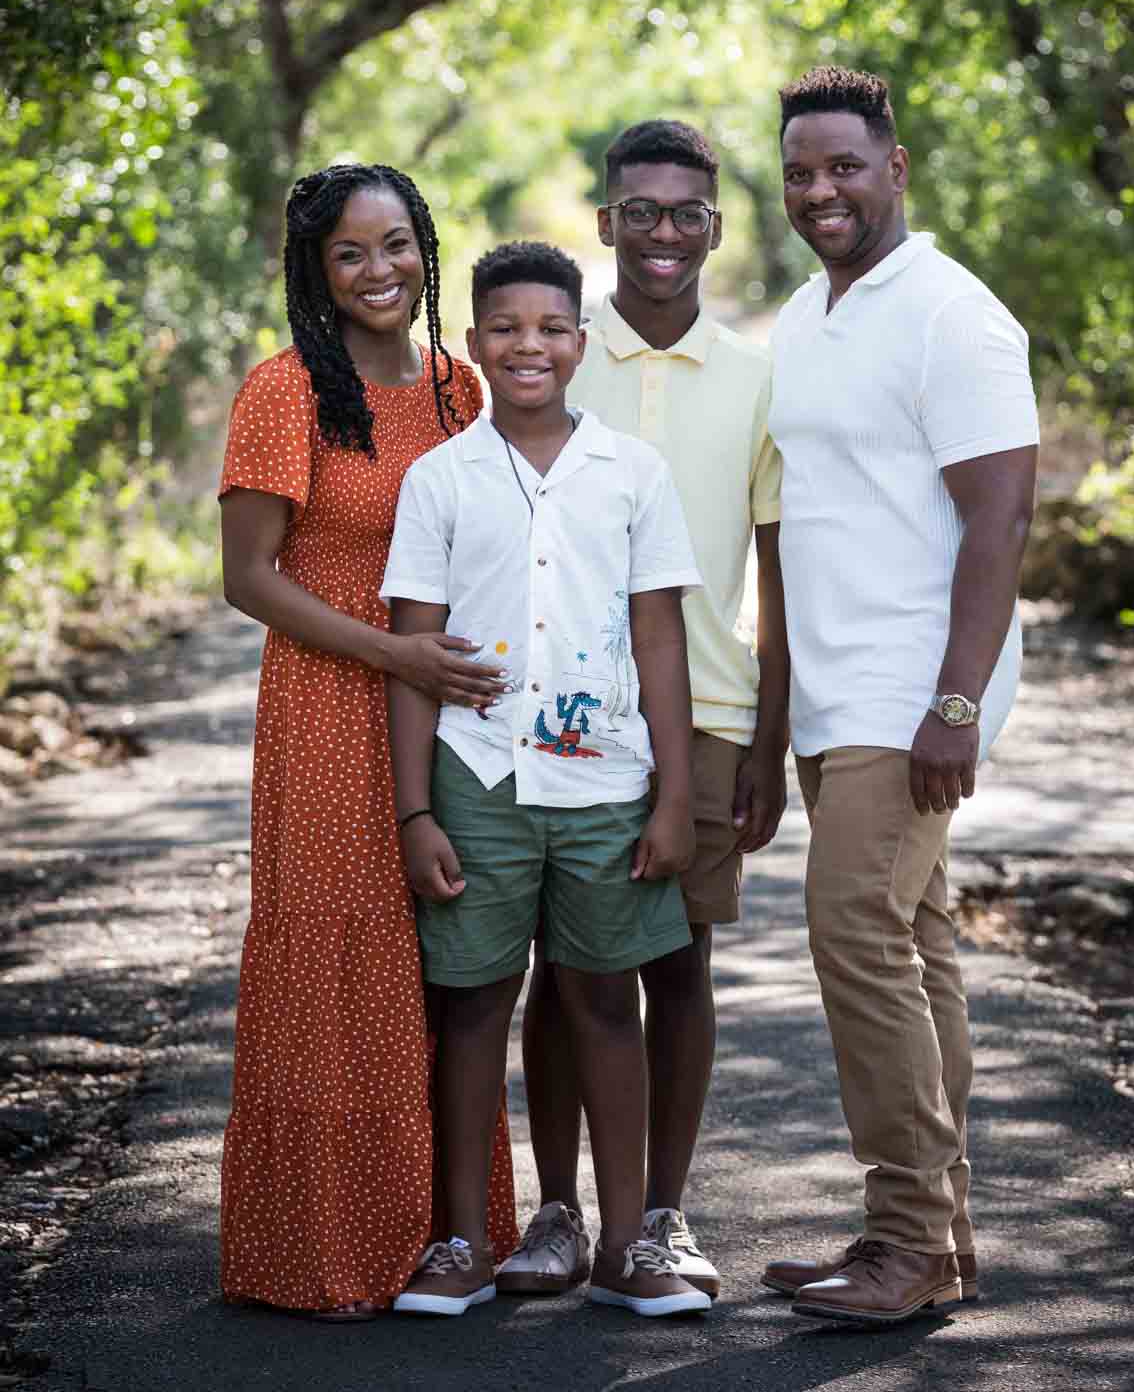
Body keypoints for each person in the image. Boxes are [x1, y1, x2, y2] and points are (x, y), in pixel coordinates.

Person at [382, 240, 712, 1320]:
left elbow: (659, 637)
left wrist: (671, 791)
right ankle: (463, 1241)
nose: (530, 345)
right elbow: (413, 651)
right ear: (475, 344)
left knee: (604, 1000)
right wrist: (417, 808)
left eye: (552, 328)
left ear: (582, 342)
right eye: (508, 328)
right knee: (473, 1003)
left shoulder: (631, 472)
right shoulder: (441, 479)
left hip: (605, 781)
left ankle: (627, 1247)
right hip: (477, 778)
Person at [761, 67, 1038, 1325]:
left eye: (844, 168)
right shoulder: (806, 317)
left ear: (897, 166)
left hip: (913, 689)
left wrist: (957, 704)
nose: (821, 190)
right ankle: (930, 1238)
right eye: (801, 172)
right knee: (916, 947)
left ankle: (910, 1236)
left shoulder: (952, 315)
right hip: (834, 688)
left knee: (855, 934)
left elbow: (1001, 516)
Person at [218, 162, 518, 1319]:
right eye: (351, 254)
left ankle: (451, 1235)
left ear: (425, 245)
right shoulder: (286, 390)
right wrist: (391, 654)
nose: (380, 271)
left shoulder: (460, 387)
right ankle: (323, 1253)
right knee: (342, 956)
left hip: (453, 709)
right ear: (317, 271)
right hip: (329, 706)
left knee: (448, 962)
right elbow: (248, 579)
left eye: (396, 245)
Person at [502, 121, 789, 1303]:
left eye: (689, 214)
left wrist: (768, 737)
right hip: (555, 710)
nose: (664, 233)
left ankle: (662, 1217)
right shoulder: (554, 353)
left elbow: (781, 567)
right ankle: (558, 1214)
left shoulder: (759, 376)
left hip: (707, 714)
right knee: (560, 971)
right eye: (641, 211)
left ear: (714, 228)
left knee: (679, 964)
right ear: (606, 219)